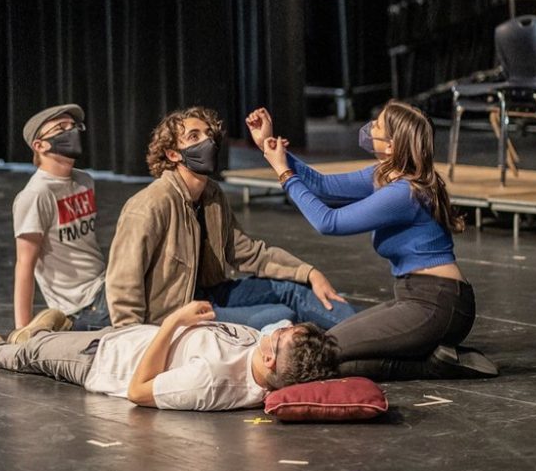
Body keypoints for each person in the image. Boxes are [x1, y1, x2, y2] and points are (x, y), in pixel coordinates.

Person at [247, 102, 498, 380]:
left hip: (438, 303)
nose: (370, 129)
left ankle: (432, 365)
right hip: (417, 297)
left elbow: (329, 222)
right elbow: (323, 185)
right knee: (331, 344)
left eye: (377, 125)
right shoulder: (387, 175)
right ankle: (428, 357)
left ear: (391, 145)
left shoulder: (404, 193)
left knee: (326, 355)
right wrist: (271, 150)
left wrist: (285, 174)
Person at [105, 106, 358, 331]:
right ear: (173, 154)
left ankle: (362, 334)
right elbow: (123, 283)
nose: (207, 141)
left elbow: (248, 253)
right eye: (194, 137)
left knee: (295, 289)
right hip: (174, 316)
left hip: (211, 295)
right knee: (282, 315)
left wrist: (309, 272)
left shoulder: (212, 195)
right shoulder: (150, 204)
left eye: (208, 134)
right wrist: (132, 342)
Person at [0, 303, 339, 411]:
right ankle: (38, 333)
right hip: (126, 337)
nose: (279, 328)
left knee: (28, 355)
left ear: (270, 361)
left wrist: (173, 323)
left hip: (100, 362)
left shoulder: (211, 381)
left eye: (282, 335)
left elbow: (139, 391)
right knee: (39, 342)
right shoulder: (256, 350)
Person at [11, 103, 109, 340]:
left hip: (103, 286)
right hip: (81, 305)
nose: (71, 132)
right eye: (61, 128)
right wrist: (22, 332)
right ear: (40, 145)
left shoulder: (85, 180)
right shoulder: (35, 195)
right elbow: (25, 264)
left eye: (74, 126)